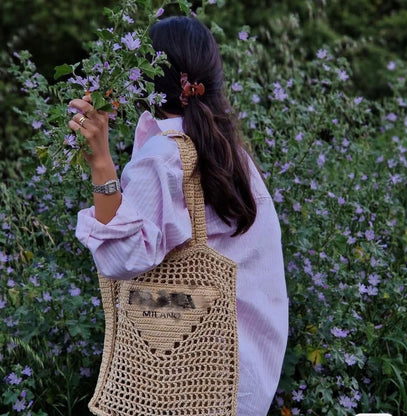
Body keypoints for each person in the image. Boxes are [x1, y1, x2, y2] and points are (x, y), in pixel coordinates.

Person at [69, 16, 288, 416]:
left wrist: (100, 161)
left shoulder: (164, 157)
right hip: (244, 375)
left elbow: (119, 259)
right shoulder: (230, 154)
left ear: (145, 83)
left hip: (189, 382)